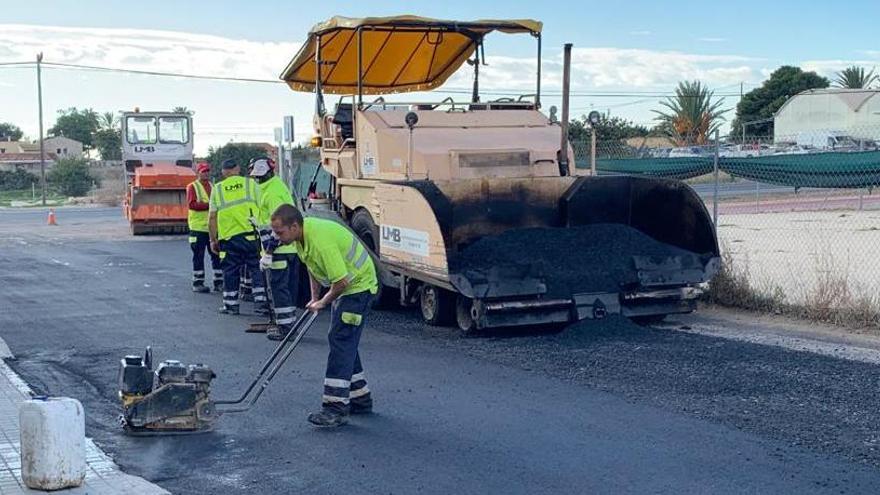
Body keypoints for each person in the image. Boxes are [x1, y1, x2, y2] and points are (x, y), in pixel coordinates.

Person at [270, 204, 378, 428]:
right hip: (349, 288)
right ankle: (360, 398)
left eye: (280, 232)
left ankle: (335, 408)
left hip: (358, 288)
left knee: (341, 340)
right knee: (342, 339)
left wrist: (323, 302)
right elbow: (313, 268)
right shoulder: (301, 239)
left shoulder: (320, 241)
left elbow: (341, 281)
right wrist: (313, 297)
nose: (276, 237)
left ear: (294, 226)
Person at [249, 157, 303, 341]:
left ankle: (286, 328)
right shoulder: (275, 188)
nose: (257, 180)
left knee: (280, 290)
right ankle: (288, 325)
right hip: (288, 249)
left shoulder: (272, 193)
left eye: (259, 177)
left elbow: (280, 228)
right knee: (286, 290)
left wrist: (269, 252)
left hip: (279, 251)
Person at [208, 158, 267, 315]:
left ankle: (231, 304)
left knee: (230, 271)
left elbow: (212, 217)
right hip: (252, 235)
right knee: (256, 268)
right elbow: (263, 206)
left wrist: (213, 239)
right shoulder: (251, 184)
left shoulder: (218, 189)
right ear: (238, 169)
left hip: (229, 239)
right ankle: (261, 303)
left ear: (223, 172)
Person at [186, 162, 223, 293]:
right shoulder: (192, 187)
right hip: (198, 228)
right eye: (203, 171)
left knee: (216, 255)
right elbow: (192, 204)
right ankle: (198, 282)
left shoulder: (213, 186)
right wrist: (210, 205)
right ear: (198, 173)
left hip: (212, 228)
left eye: (207, 171)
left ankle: (219, 282)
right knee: (198, 256)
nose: (206, 173)